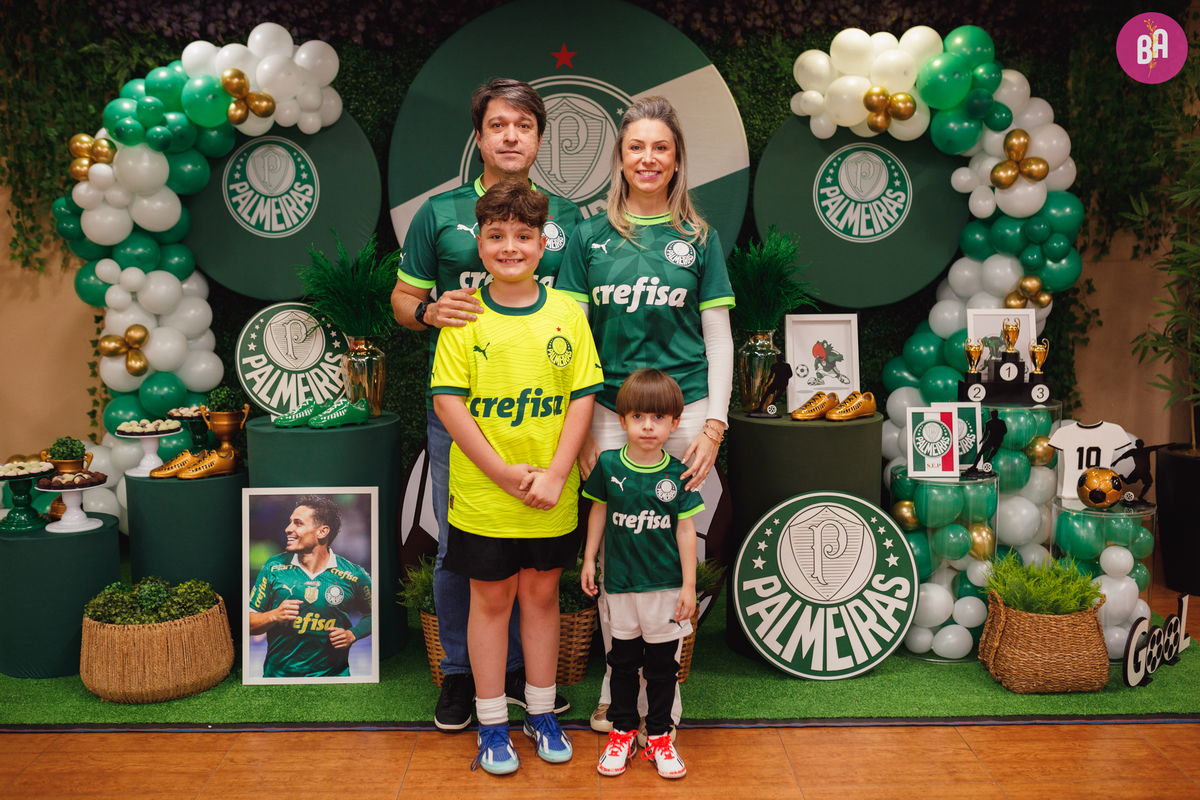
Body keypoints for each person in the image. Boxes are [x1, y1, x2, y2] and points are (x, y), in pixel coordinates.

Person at [390, 78, 581, 730]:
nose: (510, 137)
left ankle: (525, 678)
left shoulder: (566, 217)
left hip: (544, 411)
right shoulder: (440, 213)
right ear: (479, 137)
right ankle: (461, 675)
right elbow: (402, 300)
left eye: (523, 126)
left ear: (539, 139)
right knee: (461, 547)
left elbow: (579, 316)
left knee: (535, 554)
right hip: (464, 409)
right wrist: (427, 309)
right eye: (498, 125)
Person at [556, 95, 734, 737]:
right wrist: (579, 428)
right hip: (608, 411)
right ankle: (617, 692)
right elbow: (571, 338)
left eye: (661, 147)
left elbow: (718, 338)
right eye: (637, 147)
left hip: (687, 413)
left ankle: (664, 700)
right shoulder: (588, 237)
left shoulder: (699, 238)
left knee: (668, 552)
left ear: (677, 158)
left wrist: (714, 425)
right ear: (621, 157)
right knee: (621, 552)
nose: (649, 158)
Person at [431, 181, 603, 774]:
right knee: (490, 601)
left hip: (551, 495)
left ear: (542, 244)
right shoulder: (464, 317)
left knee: (541, 596)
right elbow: (449, 404)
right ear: (479, 244)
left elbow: (582, 398)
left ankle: (541, 711)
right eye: (497, 235)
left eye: (523, 236)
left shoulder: (566, 314)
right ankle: (491, 723)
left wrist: (557, 472)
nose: (510, 247)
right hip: (485, 496)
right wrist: (503, 473)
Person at [581, 369, 701, 779]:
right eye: (638, 417)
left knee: (662, 667)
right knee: (622, 663)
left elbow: (685, 531)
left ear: (675, 423)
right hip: (620, 586)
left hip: (665, 589)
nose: (648, 426)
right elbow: (598, 511)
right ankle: (622, 732)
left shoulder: (678, 473)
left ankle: (660, 737)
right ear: (622, 420)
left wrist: (689, 586)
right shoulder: (609, 464)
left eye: (658, 418)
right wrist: (589, 559)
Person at [248, 495, 372, 678]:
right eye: (290, 522)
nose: (288, 529)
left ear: (322, 532)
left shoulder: (354, 574)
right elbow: (249, 623)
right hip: (278, 681)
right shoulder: (273, 567)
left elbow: (376, 614)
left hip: (333, 681)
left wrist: (353, 634)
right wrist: (273, 615)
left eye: (298, 523)